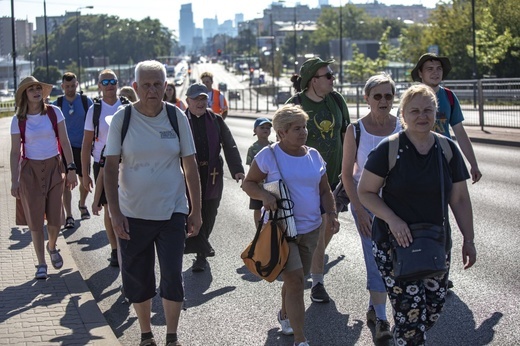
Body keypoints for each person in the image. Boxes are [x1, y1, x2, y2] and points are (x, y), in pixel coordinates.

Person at [357, 84, 477, 345]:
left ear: (436, 114)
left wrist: (469, 239)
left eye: (427, 110)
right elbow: (365, 191)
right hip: (394, 245)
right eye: (415, 111)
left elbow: (459, 198)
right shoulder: (388, 149)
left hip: (435, 242)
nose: (422, 116)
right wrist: (392, 218)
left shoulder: (447, 149)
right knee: (410, 319)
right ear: (403, 114)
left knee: (432, 311)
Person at [104, 60, 202, 346]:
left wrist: (195, 210)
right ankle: (146, 334)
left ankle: (172, 336)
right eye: (145, 85)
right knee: (138, 278)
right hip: (133, 213)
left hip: (172, 210)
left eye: (157, 84)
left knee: (172, 275)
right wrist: (115, 212)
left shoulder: (176, 117)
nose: (152, 90)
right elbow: (110, 168)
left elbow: (190, 165)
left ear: (166, 86)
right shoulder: (123, 119)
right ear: (135, 88)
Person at [242, 104, 340, 346]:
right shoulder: (268, 155)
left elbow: (325, 190)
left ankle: (285, 314)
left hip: (311, 229)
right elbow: (249, 183)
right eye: (297, 128)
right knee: (296, 281)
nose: (303, 132)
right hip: (281, 230)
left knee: (295, 279)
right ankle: (300, 338)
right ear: (282, 132)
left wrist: (332, 214)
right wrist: (265, 196)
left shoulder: (314, 155)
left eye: (304, 127)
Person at [341, 73, 401, 340]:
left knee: (395, 258)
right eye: (377, 96)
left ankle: (374, 307)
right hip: (365, 202)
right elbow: (346, 175)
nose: (383, 101)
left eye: (388, 95)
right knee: (375, 256)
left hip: (397, 204)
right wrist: (360, 209)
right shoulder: (356, 130)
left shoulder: (402, 126)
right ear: (367, 98)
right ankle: (383, 321)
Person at [287, 57, 350, 303]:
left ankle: (312, 267)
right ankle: (317, 283)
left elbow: (347, 133)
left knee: (328, 226)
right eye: (328, 75)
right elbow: (283, 140)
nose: (333, 78)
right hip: (306, 181)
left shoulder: (336, 100)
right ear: (314, 80)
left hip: (336, 177)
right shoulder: (296, 104)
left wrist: (351, 169)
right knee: (322, 224)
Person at [10, 76, 78, 279]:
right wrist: (15, 179)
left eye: (38, 88)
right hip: (30, 172)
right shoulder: (18, 120)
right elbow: (15, 152)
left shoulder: (54, 113)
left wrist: (72, 168)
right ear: (25, 94)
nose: (36, 91)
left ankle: (52, 245)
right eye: (31, 89)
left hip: (54, 168)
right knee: (36, 221)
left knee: (56, 219)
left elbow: (65, 142)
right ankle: (41, 264)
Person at [184, 82, 245, 272]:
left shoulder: (216, 120)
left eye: (203, 98)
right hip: (188, 173)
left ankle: (202, 248)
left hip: (212, 173)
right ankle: (202, 250)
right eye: (196, 99)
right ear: (188, 101)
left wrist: (237, 169)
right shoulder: (180, 120)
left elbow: (229, 144)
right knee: (193, 210)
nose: (200, 102)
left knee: (210, 211)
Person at [411, 53, 482, 184]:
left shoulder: (449, 96)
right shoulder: (411, 98)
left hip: (445, 159)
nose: (435, 72)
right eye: (430, 69)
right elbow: (398, 131)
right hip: (417, 162)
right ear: (420, 73)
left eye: (439, 68)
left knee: (451, 200)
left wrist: (473, 164)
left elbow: (460, 132)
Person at [81, 69, 127, 267]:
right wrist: (84, 174)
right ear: (99, 86)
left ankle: (126, 244)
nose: (109, 85)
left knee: (126, 205)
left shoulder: (126, 106)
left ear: (117, 83)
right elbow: (86, 144)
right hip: (102, 164)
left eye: (113, 81)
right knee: (109, 208)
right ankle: (115, 249)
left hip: (126, 164)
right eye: (105, 82)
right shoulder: (95, 110)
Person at [53, 72, 93, 229]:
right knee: (65, 184)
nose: (70, 89)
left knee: (84, 180)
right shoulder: (58, 104)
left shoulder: (85, 102)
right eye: (67, 86)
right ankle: (69, 215)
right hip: (64, 149)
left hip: (82, 147)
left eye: (73, 85)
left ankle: (82, 204)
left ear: (77, 84)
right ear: (62, 86)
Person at [245, 117, 274, 226]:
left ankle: (270, 228)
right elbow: (250, 167)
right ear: (255, 130)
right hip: (258, 185)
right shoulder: (253, 148)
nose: (265, 129)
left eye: (268, 127)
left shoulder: (273, 146)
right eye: (262, 127)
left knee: (271, 207)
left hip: (271, 184)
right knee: (257, 207)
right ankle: (259, 228)